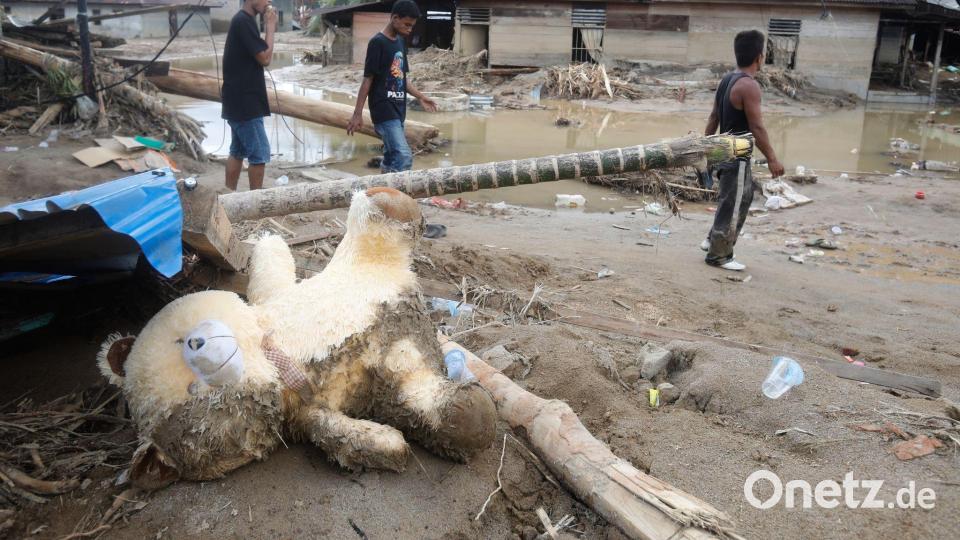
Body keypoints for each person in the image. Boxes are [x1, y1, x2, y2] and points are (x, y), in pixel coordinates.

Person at [702, 29, 785, 271]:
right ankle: (719, 255)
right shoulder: (749, 86)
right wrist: (772, 159)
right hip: (736, 155)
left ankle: (711, 239)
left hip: (723, 151)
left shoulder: (727, 79)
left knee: (740, 198)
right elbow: (757, 127)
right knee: (735, 202)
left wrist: (706, 149)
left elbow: (713, 116)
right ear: (760, 57)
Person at [347, 0, 437, 172]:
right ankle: (398, 196)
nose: (410, 29)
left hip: (398, 109)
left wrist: (420, 96)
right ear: (395, 18)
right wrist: (357, 114)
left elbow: (402, 78)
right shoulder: (377, 42)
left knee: (390, 157)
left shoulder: (400, 42)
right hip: (383, 110)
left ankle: (383, 192)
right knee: (403, 155)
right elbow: (367, 80)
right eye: (407, 25)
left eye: (412, 26)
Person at [221, 0, 277, 191]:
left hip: (238, 101)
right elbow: (265, 58)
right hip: (246, 103)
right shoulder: (243, 21)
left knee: (237, 151)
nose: (269, 2)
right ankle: (255, 204)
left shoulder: (244, 20)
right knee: (259, 155)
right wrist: (270, 27)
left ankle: (228, 194)